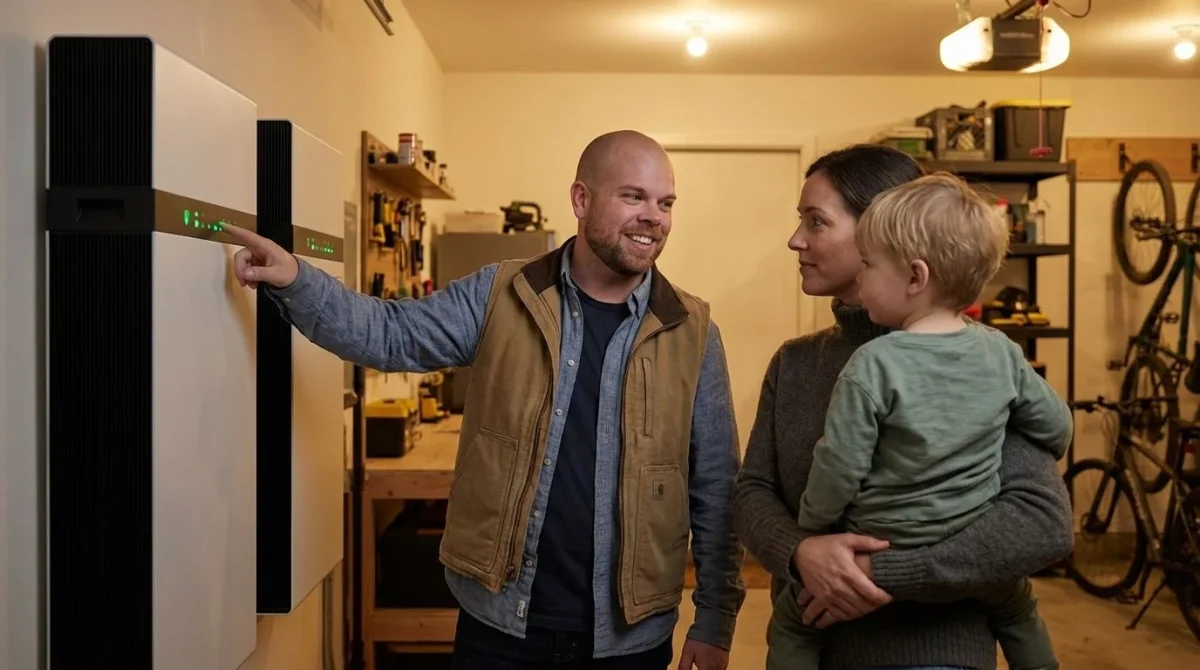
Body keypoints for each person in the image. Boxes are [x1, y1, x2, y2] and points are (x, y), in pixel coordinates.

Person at [225, 129, 746, 670]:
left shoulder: (693, 331)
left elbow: (716, 487)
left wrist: (715, 622)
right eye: (633, 197)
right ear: (581, 200)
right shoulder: (501, 293)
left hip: (629, 641)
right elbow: (391, 333)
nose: (654, 217)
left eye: (665, 203)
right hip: (502, 628)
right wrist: (295, 280)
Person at [733, 143, 1074, 670]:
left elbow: (1042, 524)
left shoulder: (977, 358)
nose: (795, 239)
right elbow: (753, 491)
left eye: (816, 222)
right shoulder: (796, 363)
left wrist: (873, 574)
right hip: (822, 648)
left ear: (884, 228)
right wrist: (802, 554)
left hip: (940, 653)